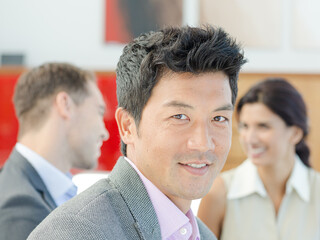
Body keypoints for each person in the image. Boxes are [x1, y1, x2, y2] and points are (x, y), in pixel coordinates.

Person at [28, 26, 246, 240]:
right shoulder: (75, 233)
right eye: (179, 117)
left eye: (219, 119)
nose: (203, 144)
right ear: (127, 126)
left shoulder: (201, 235)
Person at [198, 78, 320, 240]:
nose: (250, 139)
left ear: (295, 133)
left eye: (263, 126)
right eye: (245, 126)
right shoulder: (217, 194)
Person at [0, 62, 109, 240]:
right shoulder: (20, 212)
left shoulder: (21, 189)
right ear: (65, 104)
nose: (104, 133)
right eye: (99, 111)